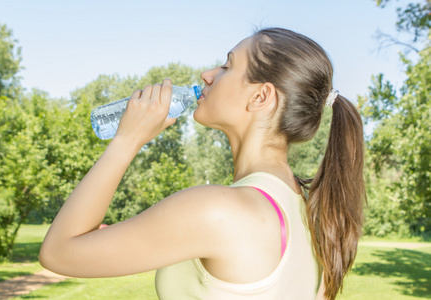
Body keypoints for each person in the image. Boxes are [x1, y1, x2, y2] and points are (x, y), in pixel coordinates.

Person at [39, 28, 365, 300]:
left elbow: (57, 253)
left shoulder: (218, 210)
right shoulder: (311, 213)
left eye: (226, 66)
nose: (207, 75)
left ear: (261, 97)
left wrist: (127, 140)